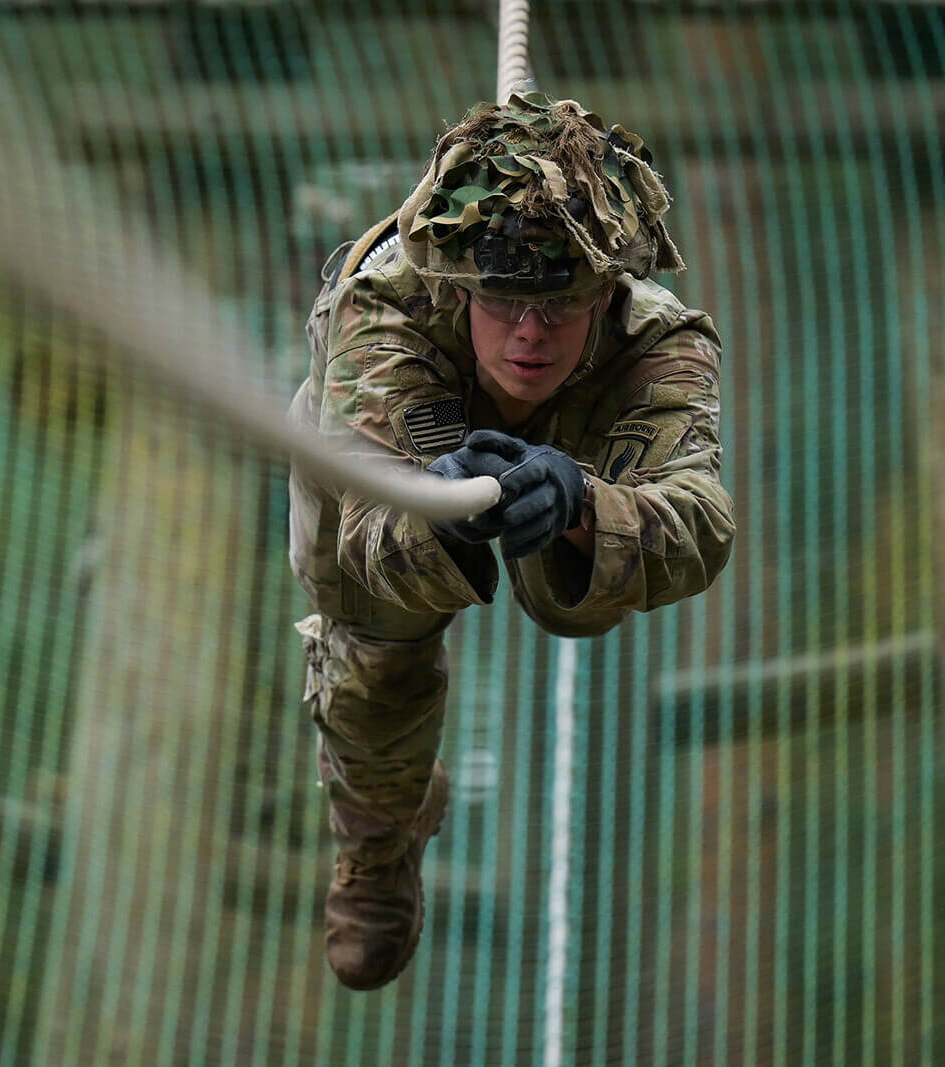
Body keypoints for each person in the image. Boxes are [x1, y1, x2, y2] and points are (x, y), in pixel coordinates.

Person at [287, 92, 736, 991]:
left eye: (560, 304)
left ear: (605, 292)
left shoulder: (656, 342)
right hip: (382, 473)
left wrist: (582, 506)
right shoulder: (383, 312)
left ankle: (563, 518)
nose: (531, 334)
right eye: (505, 303)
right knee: (376, 643)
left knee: (581, 604)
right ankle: (379, 837)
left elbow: (704, 522)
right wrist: (434, 506)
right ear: (460, 287)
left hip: (578, 456)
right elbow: (371, 534)